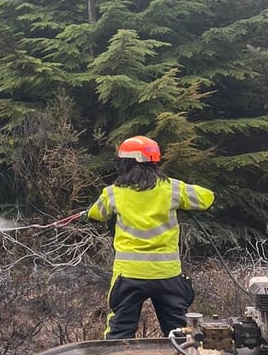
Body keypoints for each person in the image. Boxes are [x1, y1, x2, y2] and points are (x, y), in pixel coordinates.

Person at [87, 136, 214, 339]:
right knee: (180, 334)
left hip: (128, 275)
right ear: (154, 161)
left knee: (119, 333)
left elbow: (96, 213)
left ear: (126, 162)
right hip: (167, 274)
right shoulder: (173, 188)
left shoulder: (113, 192)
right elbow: (207, 197)